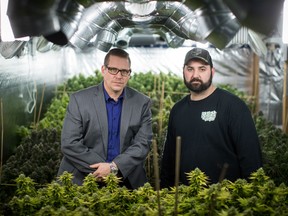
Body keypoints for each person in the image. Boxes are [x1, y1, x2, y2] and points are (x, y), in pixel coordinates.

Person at [160, 47, 263, 188]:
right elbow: (169, 160)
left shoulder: (233, 107)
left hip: (225, 200)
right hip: (186, 199)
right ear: (183, 71)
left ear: (212, 72)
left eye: (202, 69)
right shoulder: (177, 110)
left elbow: (251, 159)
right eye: (190, 69)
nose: (195, 74)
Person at [57, 48, 153, 189]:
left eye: (124, 71)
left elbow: (143, 144)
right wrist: (102, 169)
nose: (119, 76)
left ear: (129, 74)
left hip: (125, 178)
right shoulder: (79, 100)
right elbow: (69, 143)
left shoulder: (141, 103)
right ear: (103, 70)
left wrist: (114, 168)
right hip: (82, 176)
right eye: (113, 70)